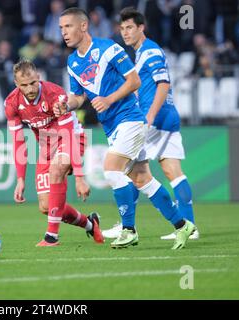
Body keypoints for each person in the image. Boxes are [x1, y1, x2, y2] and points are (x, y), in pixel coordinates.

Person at [57, 7, 195, 249]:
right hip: (113, 126)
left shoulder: (108, 49)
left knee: (111, 169)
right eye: (61, 28)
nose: (64, 33)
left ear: (83, 26)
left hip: (130, 118)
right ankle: (183, 226)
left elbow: (135, 81)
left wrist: (109, 99)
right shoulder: (72, 62)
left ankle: (129, 230)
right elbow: (78, 97)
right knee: (142, 179)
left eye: (68, 26)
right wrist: (66, 105)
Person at [102, 7, 199, 241]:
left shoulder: (151, 51)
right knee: (172, 172)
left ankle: (126, 226)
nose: (125, 33)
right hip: (167, 117)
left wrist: (150, 117)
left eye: (129, 28)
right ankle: (190, 226)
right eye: (122, 28)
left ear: (141, 28)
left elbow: (163, 84)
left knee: (128, 170)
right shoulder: (142, 53)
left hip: (153, 119)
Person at [4, 59, 104, 247]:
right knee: (47, 207)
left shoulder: (55, 95)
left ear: (38, 78)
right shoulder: (11, 103)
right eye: (24, 85)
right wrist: (20, 179)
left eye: (33, 83)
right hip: (46, 147)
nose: (30, 89)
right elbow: (18, 142)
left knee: (56, 170)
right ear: (17, 85)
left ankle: (51, 237)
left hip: (73, 138)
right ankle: (90, 224)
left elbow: (67, 135)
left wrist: (80, 177)